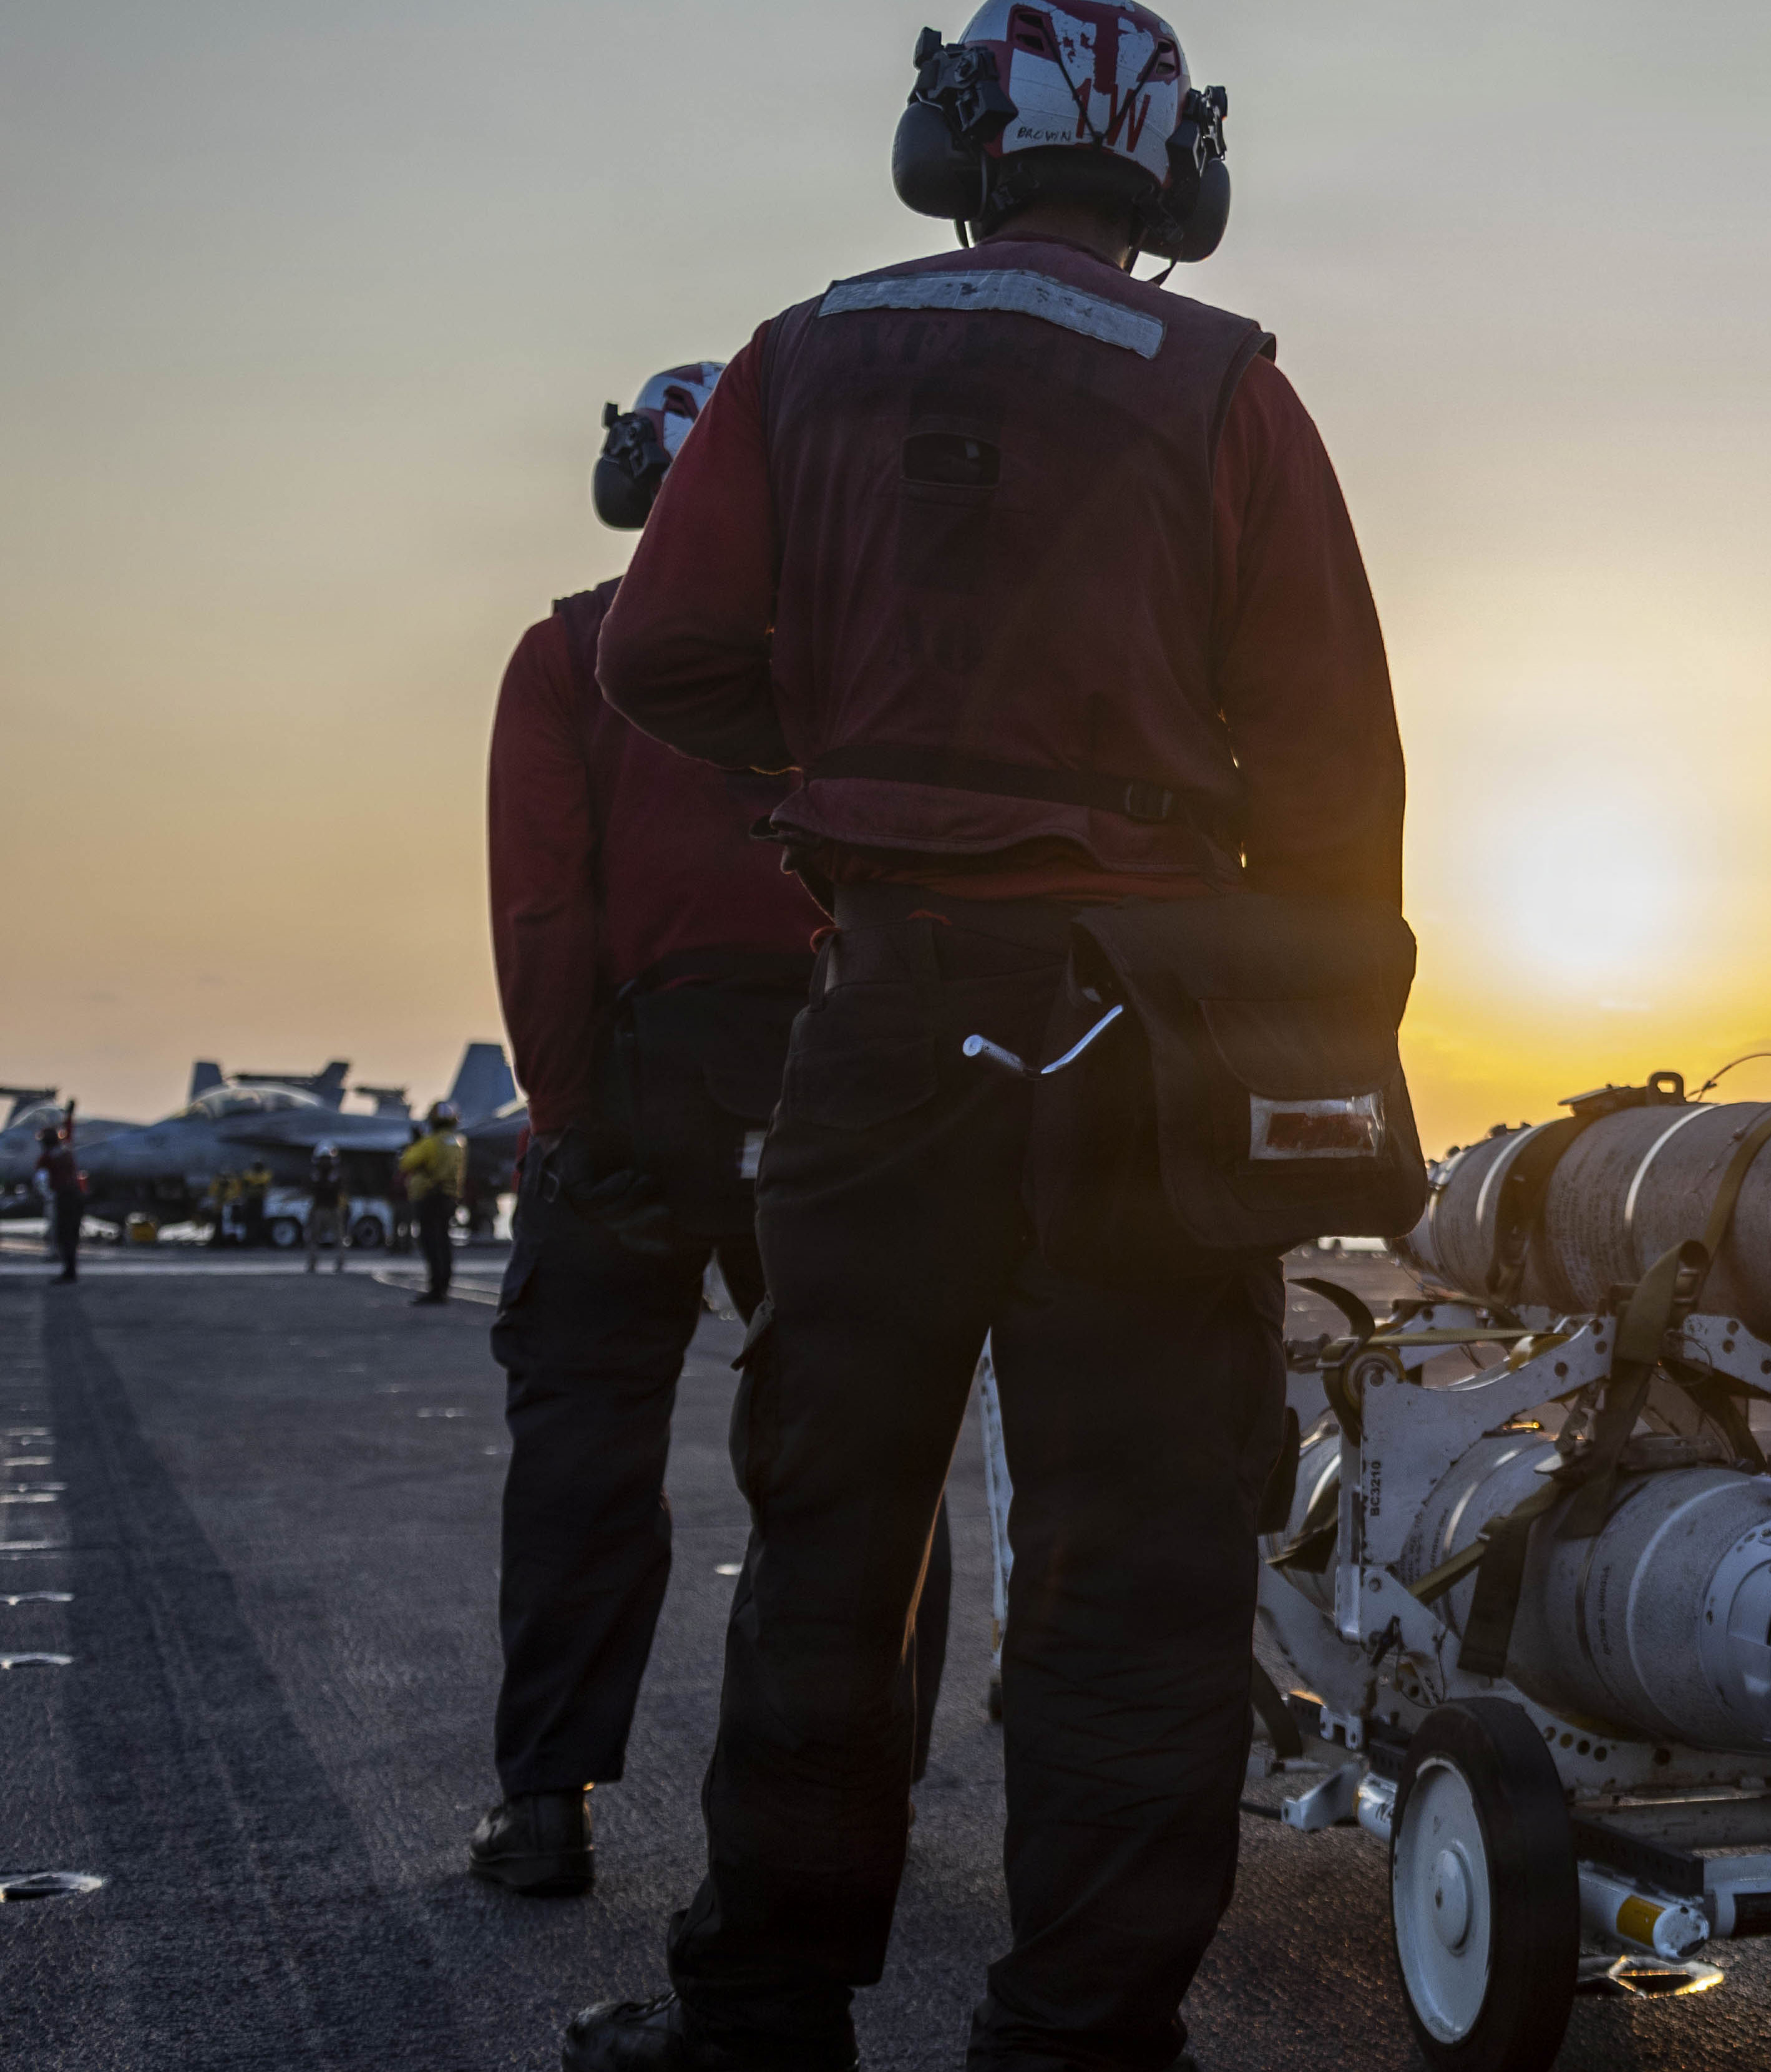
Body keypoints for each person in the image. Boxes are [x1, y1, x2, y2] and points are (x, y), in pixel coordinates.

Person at [565, 7, 1403, 2063]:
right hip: (1137, 1022)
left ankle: (759, 2012)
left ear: (951, 137)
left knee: (831, 1537)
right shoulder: (1222, 386)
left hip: (886, 1017)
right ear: (1172, 170)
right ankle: (1081, 2034)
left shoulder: (799, 353)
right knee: (1138, 1568)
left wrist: (851, 766)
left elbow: (666, 648)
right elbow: (1332, 767)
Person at [469, 362, 958, 1904]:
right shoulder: (859, 657)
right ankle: (860, 1813)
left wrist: (562, 1111)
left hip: (630, 1080)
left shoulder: (570, 650)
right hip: (832, 1072)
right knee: (856, 1460)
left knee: (584, 1452)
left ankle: (547, 1806)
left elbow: (543, 898)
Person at [401, 1103, 467, 1303]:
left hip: (430, 1198)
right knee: (444, 1242)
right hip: (449, 1198)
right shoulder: (459, 1142)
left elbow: (406, 1163)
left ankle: (436, 1289)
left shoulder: (431, 1143)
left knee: (431, 1242)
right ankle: (443, 1287)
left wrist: (416, 1143)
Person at [40, 1114, 84, 1284]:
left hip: (64, 1198)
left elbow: (42, 1180)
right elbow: (69, 1135)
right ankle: (70, 1271)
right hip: (76, 1196)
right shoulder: (66, 1151)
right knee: (71, 1236)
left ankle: (69, 1272)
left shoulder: (47, 1158)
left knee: (64, 1235)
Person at [304, 1143, 347, 1273]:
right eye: (323, 1159)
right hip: (319, 1208)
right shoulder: (315, 1174)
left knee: (339, 1238)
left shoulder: (335, 1175)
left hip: (333, 1208)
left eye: (327, 1159)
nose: (325, 1162)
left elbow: (338, 1190)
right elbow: (312, 1189)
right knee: (313, 1237)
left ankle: (340, 1263)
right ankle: (312, 1263)